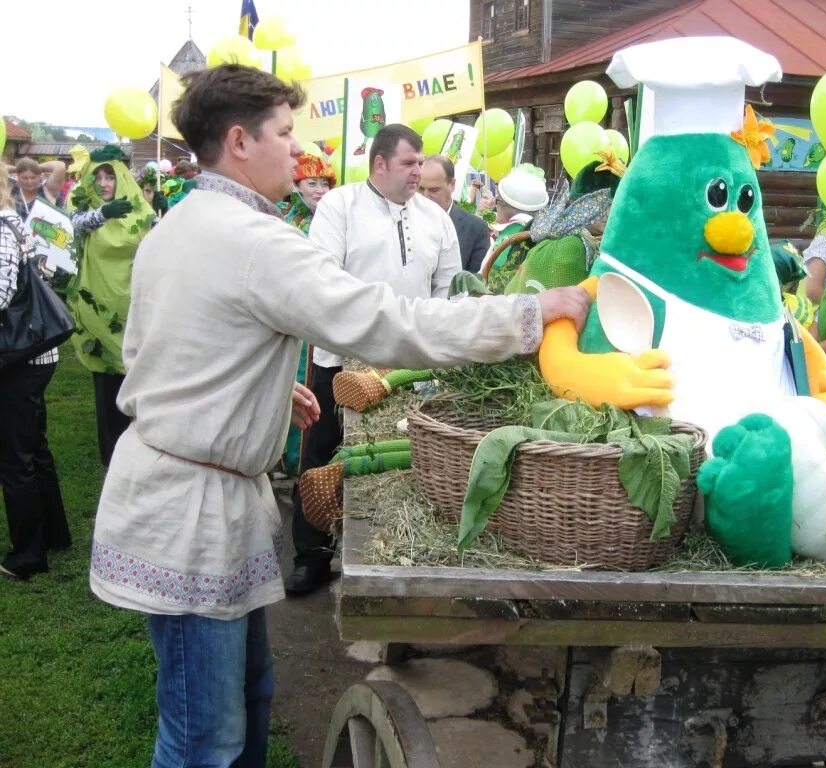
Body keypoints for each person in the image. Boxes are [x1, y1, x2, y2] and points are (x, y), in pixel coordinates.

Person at [87, 64, 588, 768]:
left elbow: (155, 349)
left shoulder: (182, 222)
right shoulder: (254, 241)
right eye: (285, 133)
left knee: (251, 695)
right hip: (187, 515)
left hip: (183, 488)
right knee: (204, 737)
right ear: (238, 141)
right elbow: (386, 323)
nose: (298, 149)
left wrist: (254, 390)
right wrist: (529, 315)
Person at [292, 124, 462, 596]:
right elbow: (324, 277)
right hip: (341, 355)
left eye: (421, 162)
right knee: (321, 450)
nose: (419, 171)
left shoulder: (436, 219)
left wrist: (429, 349)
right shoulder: (339, 206)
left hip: (410, 365)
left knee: (393, 458)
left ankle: (383, 552)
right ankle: (311, 555)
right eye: (409, 163)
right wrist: (368, 337)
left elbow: (447, 289)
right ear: (380, 163)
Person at [0, 168, 71, 580]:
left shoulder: (2, 226)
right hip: (29, 354)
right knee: (32, 447)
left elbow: (3, 290)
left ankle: (28, 554)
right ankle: (52, 534)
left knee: (17, 456)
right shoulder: (11, 221)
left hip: (20, 357)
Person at [68, 146, 154, 466]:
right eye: (98, 177)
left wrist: (162, 214)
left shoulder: (140, 212)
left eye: (110, 176)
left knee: (138, 383)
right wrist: (103, 214)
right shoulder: (87, 211)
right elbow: (74, 224)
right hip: (99, 313)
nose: (104, 184)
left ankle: (141, 451)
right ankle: (113, 454)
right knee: (107, 386)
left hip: (134, 310)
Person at [278, 152, 336, 477]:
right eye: (311, 182)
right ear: (297, 184)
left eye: (325, 183)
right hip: (292, 318)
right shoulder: (284, 219)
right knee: (295, 384)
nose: (319, 189)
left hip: (323, 320)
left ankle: (307, 468)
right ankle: (290, 463)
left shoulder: (333, 220)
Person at [419, 154, 490, 273]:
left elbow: (473, 283)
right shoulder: (405, 220)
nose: (426, 196)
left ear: (452, 185)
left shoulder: (475, 228)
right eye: (421, 189)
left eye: (434, 190)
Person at [278, 151, 335, 235]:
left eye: (325, 184)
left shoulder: (335, 217)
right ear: (296, 186)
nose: (320, 190)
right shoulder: (278, 212)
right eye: (312, 184)